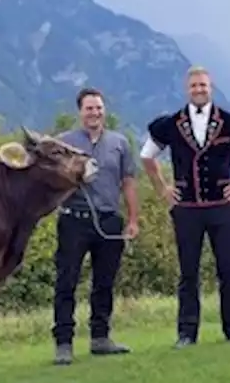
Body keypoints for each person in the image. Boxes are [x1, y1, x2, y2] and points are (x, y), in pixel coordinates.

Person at [141, 66, 230, 349]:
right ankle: (187, 332)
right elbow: (147, 155)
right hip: (186, 207)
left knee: (229, 269)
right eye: (195, 86)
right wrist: (163, 188)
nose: (199, 90)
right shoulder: (171, 124)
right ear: (188, 89)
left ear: (211, 88)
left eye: (203, 86)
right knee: (188, 271)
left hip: (222, 206)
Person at [52, 88, 142, 365]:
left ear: (105, 110)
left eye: (99, 108)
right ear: (80, 111)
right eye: (89, 108)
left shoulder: (119, 143)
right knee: (67, 281)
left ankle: (100, 338)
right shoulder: (64, 143)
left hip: (109, 220)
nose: (95, 113)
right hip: (74, 220)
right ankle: (64, 343)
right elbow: (49, 179)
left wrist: (133, 219)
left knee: (104, 282)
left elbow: (128, 181)